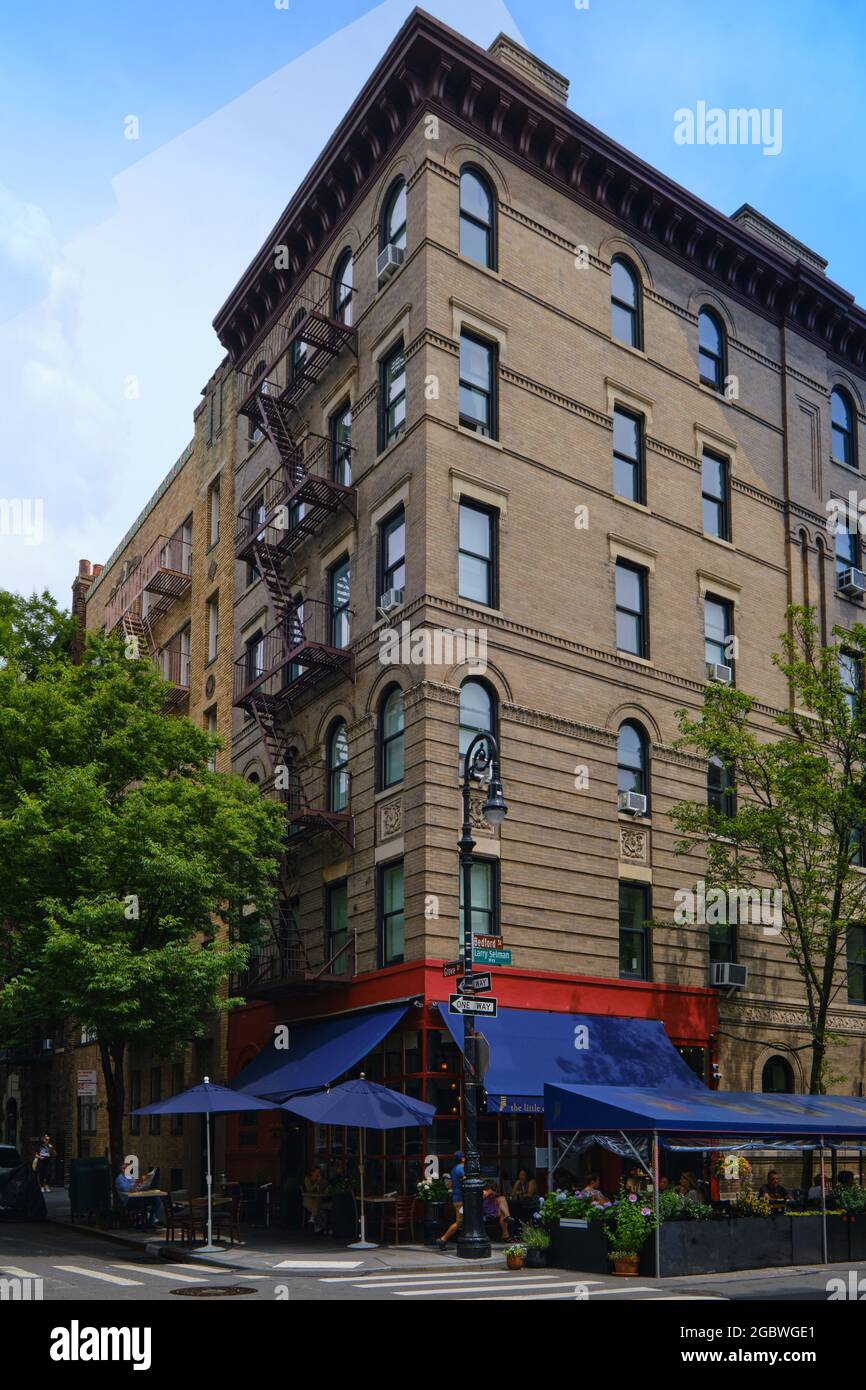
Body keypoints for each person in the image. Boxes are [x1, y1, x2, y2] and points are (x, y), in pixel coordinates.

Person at [114, 1161, 163, 1229]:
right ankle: (144, 1224)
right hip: (129, 1201)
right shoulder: (119, 1179)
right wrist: (137, 1183)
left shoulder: (130, 1177)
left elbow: (138, 1188)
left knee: (156, 1200)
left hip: (137, 1197)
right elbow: (130, 1190)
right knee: (143, 1203)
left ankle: (151, 1222)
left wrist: (144, 1184)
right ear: (121, 1169)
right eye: (124, 1168)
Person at [436, 1150, 465, 1250]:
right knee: (459, 1222)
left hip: (456, 1198)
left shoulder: (453, 1169)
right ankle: (443, 1239)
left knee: (464, 1221)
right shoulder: (462, 1167)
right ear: (462, 1159)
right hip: (462, 1199)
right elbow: (466, 1179)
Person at [301, 1165, 328, 1233]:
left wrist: (321, 1181)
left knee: (318, 1205)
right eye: (316, 1172)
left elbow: (324, 1188)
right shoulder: (307, 1179)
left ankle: (313, 1219)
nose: (318, 1174)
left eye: (319, 1172)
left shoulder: (319, 1180)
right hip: (308, 1200)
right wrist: (315, 1184)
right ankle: (318, 1226)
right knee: (318, 1207)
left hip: (316, 1200)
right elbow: (309, 1189)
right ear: (312, 1173)